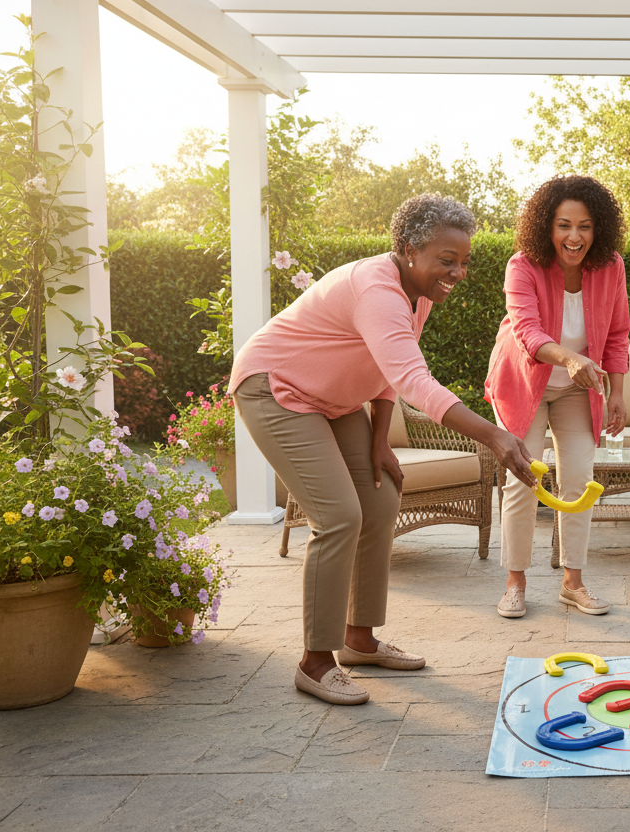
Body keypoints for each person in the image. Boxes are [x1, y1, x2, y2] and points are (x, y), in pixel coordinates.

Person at [229, 194, 536, 705]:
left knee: (380, 498)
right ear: (411, 249)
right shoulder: (375, 288)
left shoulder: (419, 292)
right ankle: (315, 661)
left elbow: (389, 370)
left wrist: (378, 440)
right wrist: (495, 434)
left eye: (464, 261)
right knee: (339, 516)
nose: (458, 272)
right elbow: (414, 378)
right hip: (276, 388)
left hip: (334, 398)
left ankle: (359, 639)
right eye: (447, 259)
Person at [485, 176, 630, 619]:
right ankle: (515, 583)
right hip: (524, 384)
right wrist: (570, 359)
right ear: (546, 227)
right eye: (564, 225)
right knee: (523, 481)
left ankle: (573, 583)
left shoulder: (610, 266)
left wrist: (617, 392)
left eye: (585, 226)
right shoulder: (522, 266)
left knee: (580, 483)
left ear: (598, 229)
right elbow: (527, 332)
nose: (574, 237)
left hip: (577, 389)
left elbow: (618, 334)